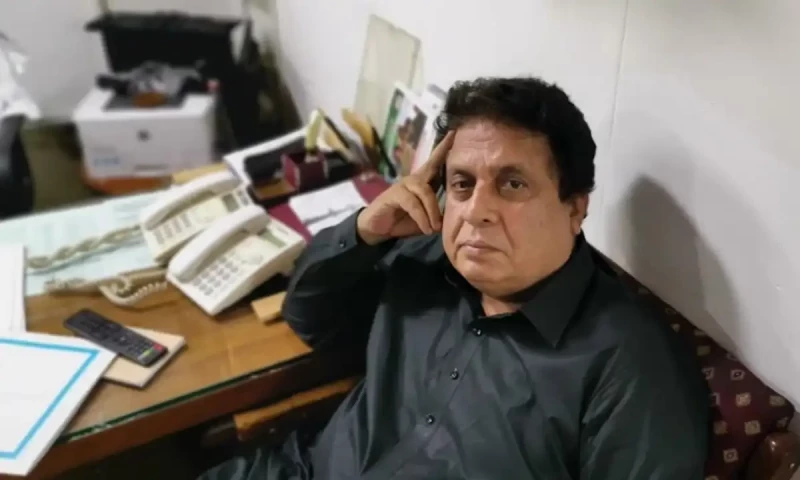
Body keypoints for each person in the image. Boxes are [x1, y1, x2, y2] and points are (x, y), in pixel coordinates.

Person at [199, 77, 709, 479]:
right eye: (462, 184)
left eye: (512, 184)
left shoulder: (629, 367)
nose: (475, 211)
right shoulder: (424, 259)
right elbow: (308, 316)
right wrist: (365, 232)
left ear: (575, 208)